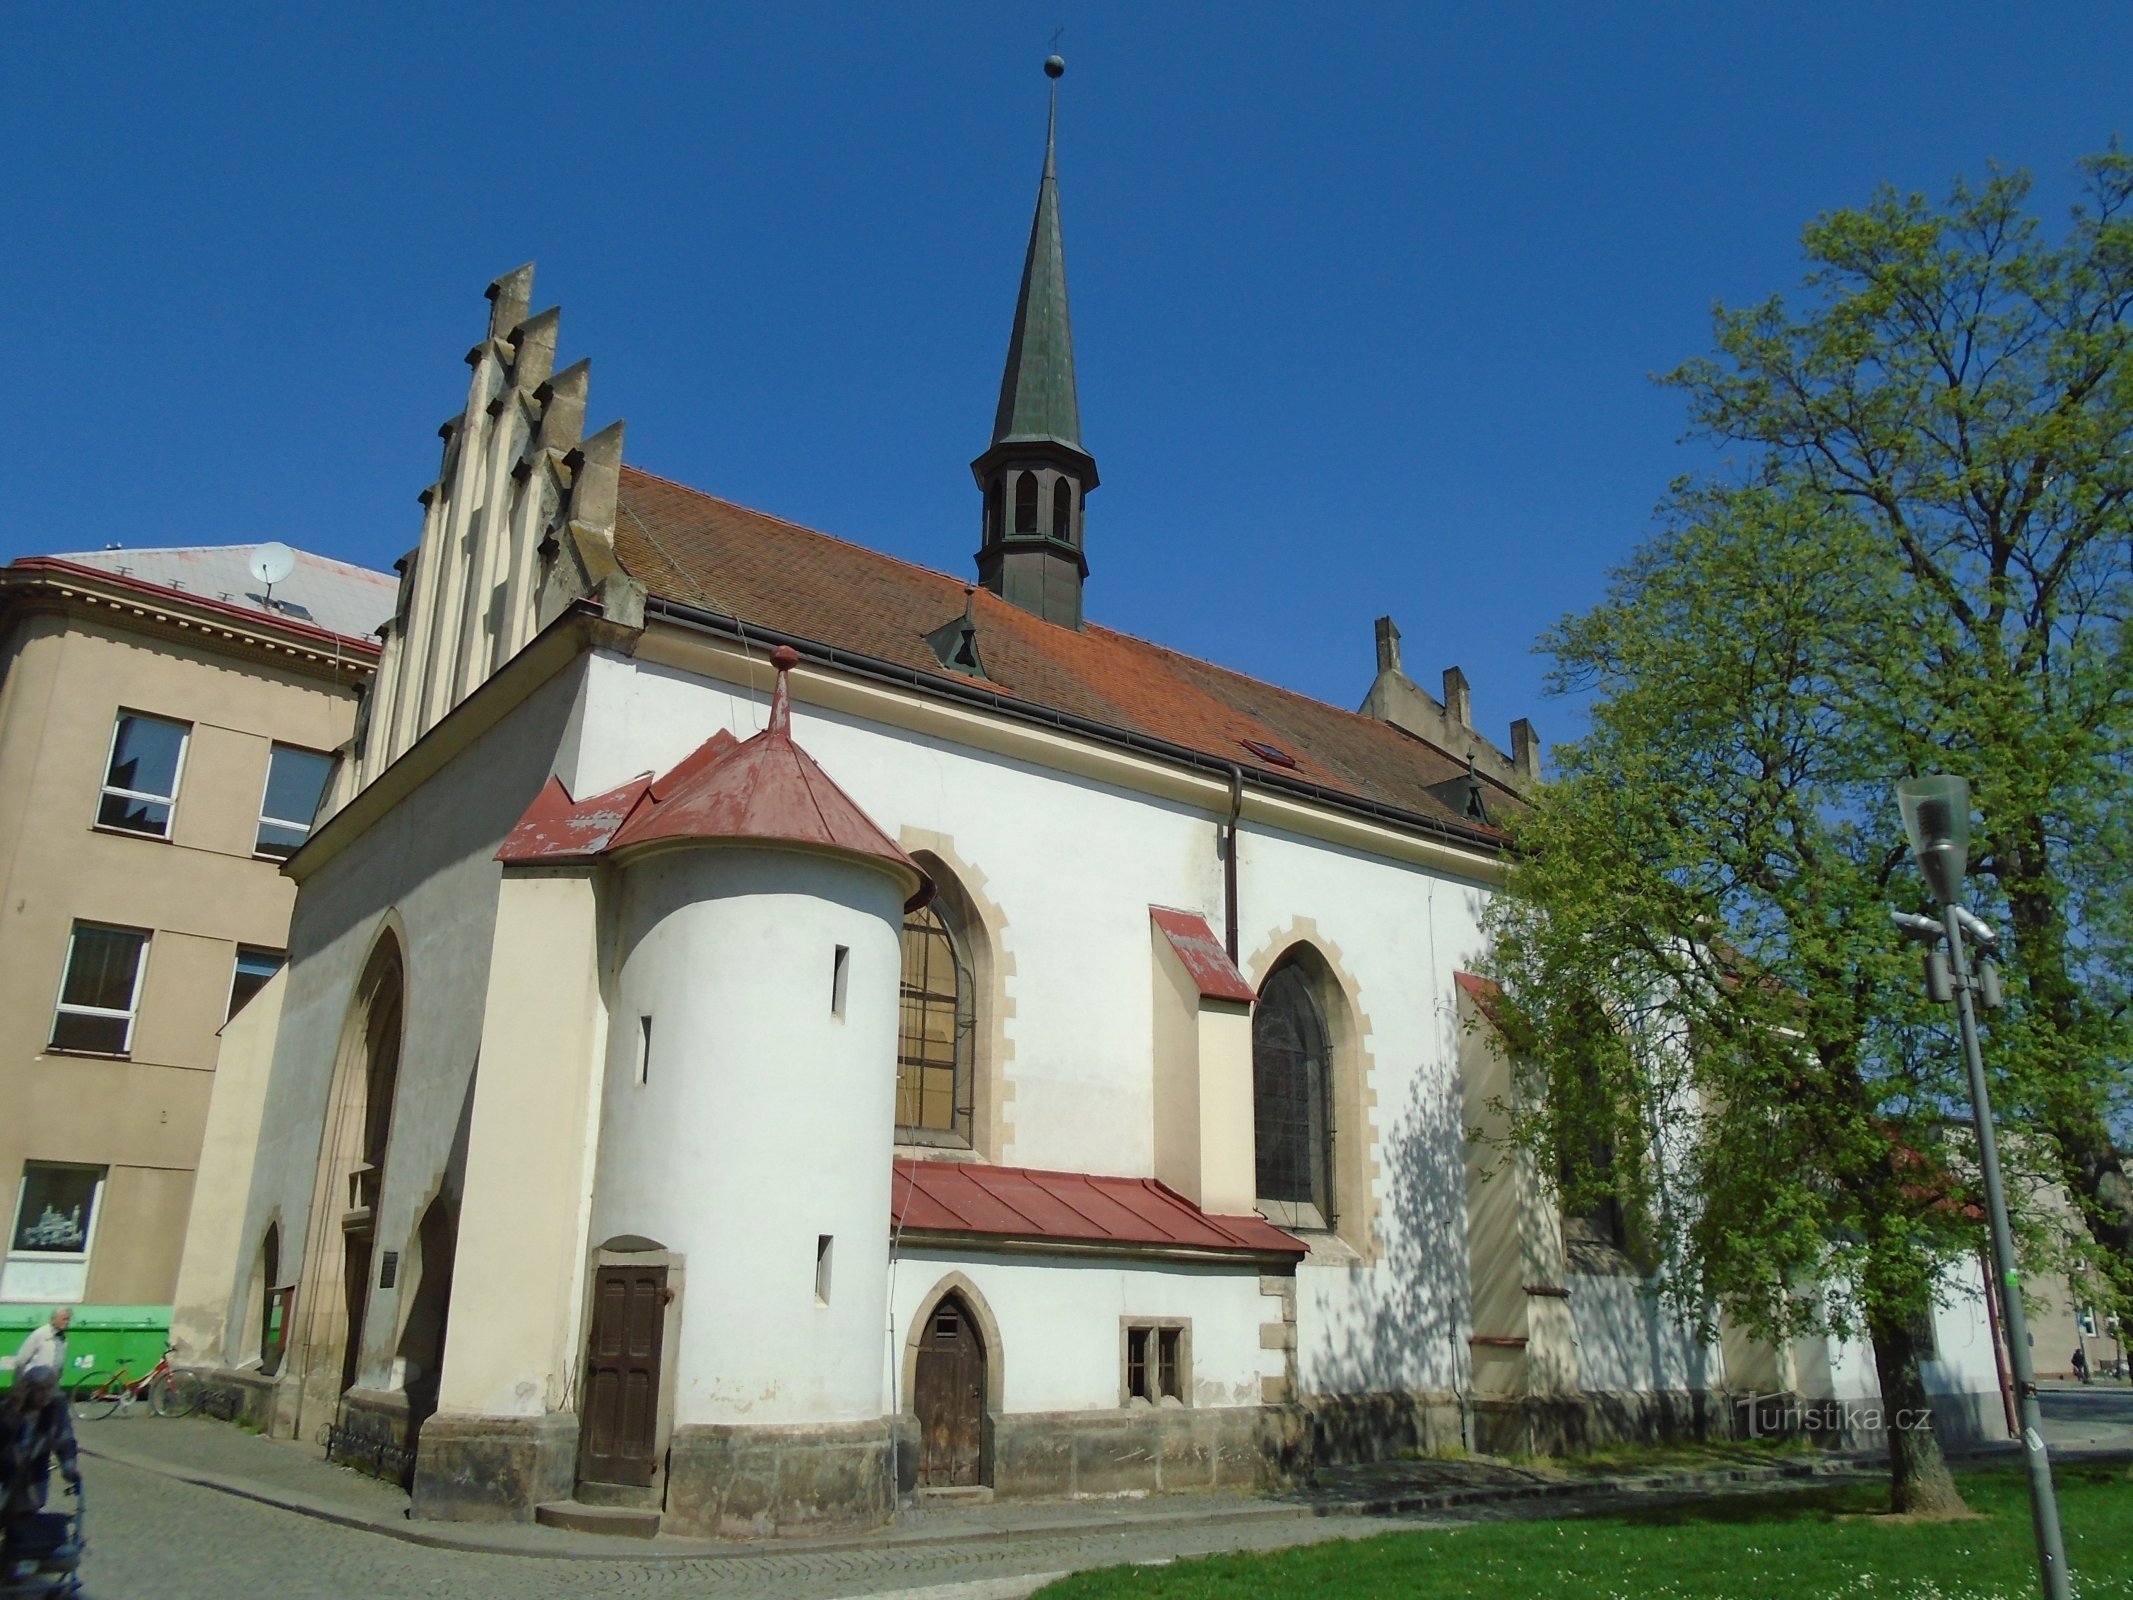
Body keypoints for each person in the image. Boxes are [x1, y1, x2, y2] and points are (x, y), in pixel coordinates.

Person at [1, 1365, 80, 1575]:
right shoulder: (8, 1409)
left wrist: (69, 1467)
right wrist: (15, 1411)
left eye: (50, 1388)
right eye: (40, 1389)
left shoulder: (56, 1408)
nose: (46, 1394)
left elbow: (64, 1439)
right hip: (4, 1478)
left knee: (21, 1527)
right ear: (27, 1390)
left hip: (31, 1483)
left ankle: (14, 1568)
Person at [11, 1309, 68, 1384]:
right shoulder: (40, 1333)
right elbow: (21, 1359)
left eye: (68, 1319)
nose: (66, 1322)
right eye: (64, 1319)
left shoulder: (62, 1338)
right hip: (35, 1382)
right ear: (53, 1319)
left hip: (51, 1382)